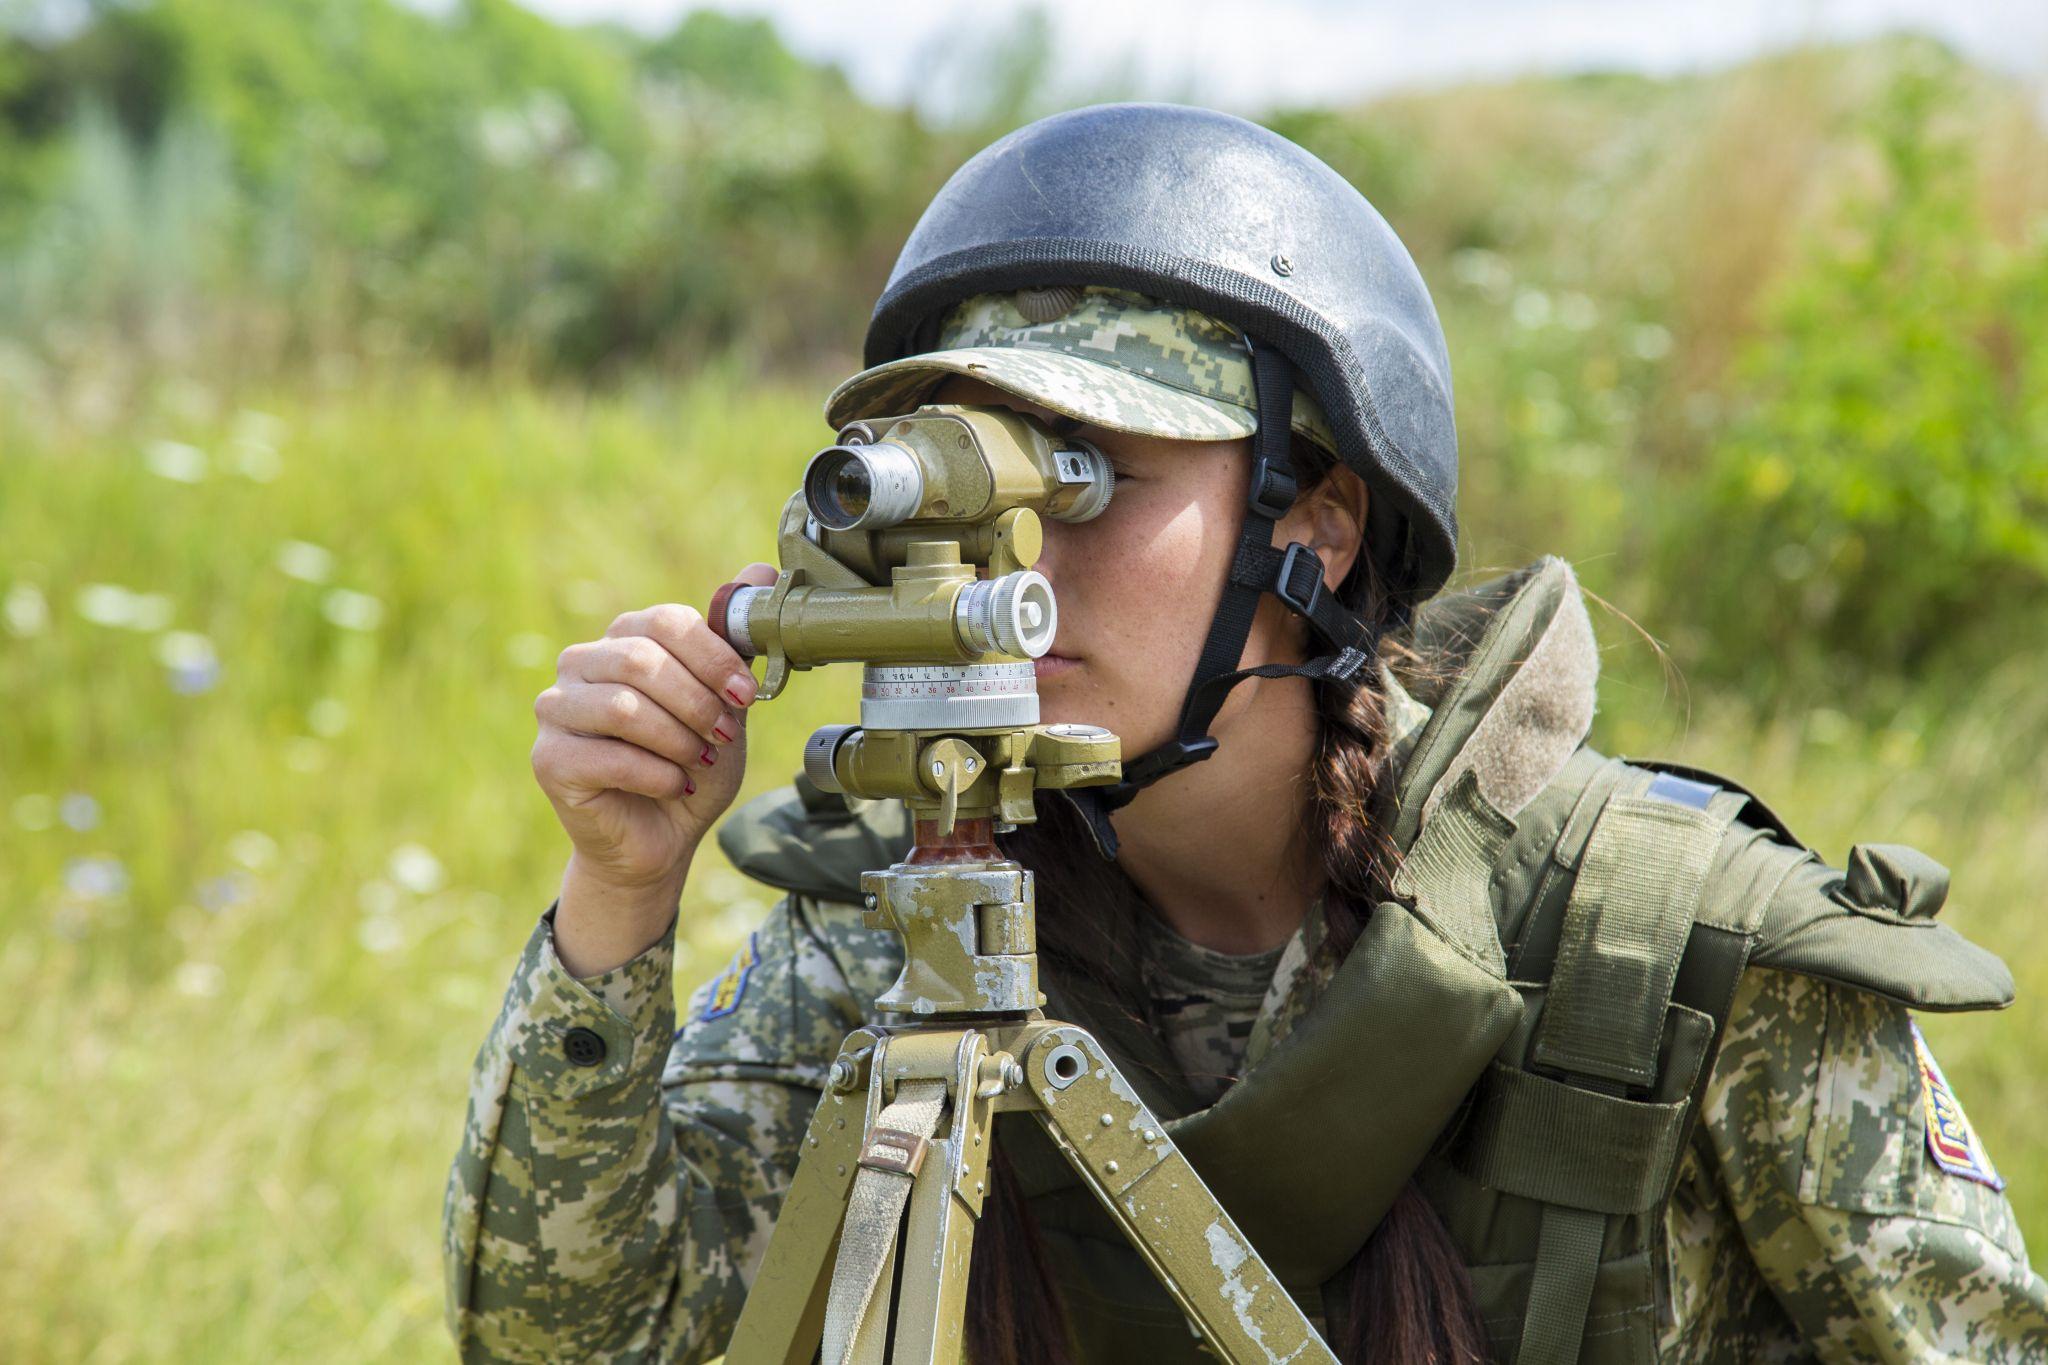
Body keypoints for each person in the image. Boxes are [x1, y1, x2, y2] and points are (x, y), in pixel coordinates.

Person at [442, 105, 2048, 1364]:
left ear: (1320, 530)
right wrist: (619, 897)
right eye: (968, 483)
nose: (1016, 558)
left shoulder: (1682, 957)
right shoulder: (900, 935)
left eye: (1090, 480)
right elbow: (575, 1339)